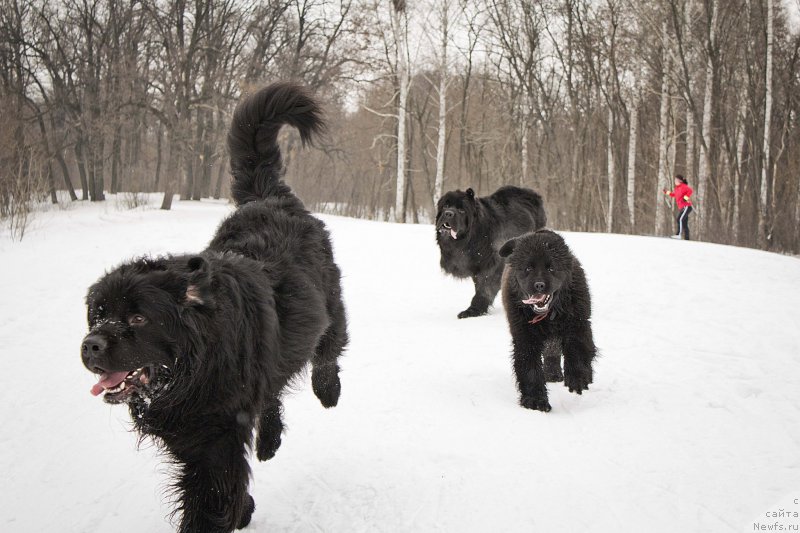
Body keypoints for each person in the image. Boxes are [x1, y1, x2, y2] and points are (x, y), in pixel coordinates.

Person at [663, 174, 693, 240]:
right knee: (684, 223)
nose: (674, 181)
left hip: (686, 206)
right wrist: (666, 192)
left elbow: (690, 191)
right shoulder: (677, 188)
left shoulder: (683, 186)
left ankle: (678, 235)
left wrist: (685, 198)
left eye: (676, 180)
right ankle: (687, 238)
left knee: (679, 219)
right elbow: (673, 194)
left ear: (680, 181)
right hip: (683, 207)